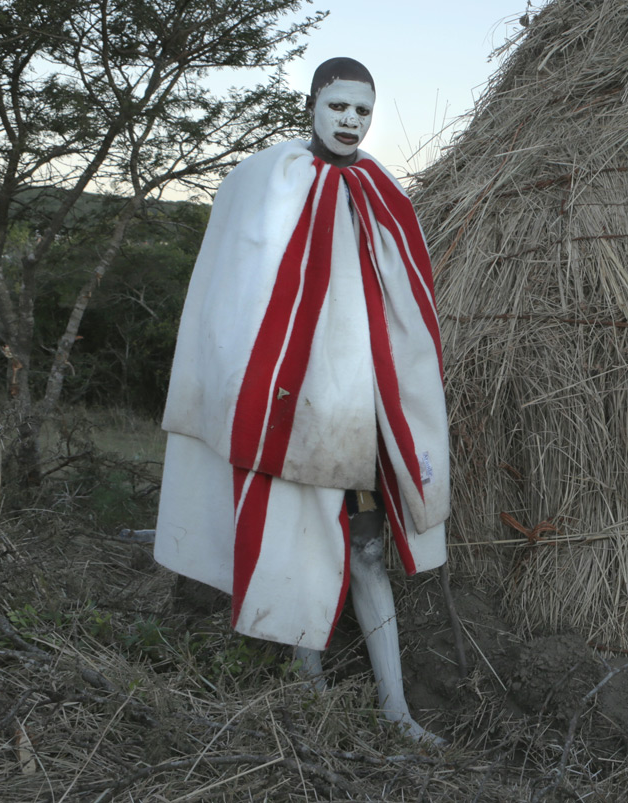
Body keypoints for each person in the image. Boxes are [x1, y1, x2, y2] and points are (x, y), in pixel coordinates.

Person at [153, 57, 448, 744]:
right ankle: (308, 694)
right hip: (288, 404)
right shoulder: (264, 182)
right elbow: (234, 294)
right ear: (312, 103)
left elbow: (405, 306)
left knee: (368, 551)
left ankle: (396, 709)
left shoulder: (380, 191)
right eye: (338, 106)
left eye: (362, 111)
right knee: (296, 538)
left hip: (359, 408)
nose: (349, 121)